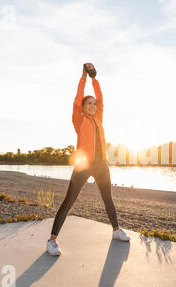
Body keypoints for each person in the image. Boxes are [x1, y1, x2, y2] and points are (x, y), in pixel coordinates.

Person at [47, 63, 130, 256]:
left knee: (108, 197)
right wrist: (83, 77)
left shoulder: (99, 118)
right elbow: (77, 99)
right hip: (83, 165)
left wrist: (95, 78)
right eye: (89, 103)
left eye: (94, 103)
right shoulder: (79, 119)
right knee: (69, 201)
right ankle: (51, 241)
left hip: (101, 165)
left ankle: (116, 230)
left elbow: (101, 99)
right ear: (83, 108)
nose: (93, 105)